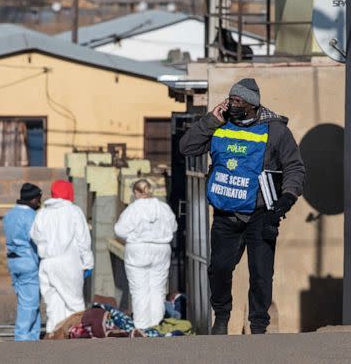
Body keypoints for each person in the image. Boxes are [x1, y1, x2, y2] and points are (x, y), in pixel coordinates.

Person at [180, 78, 305, 335]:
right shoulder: (220, 124)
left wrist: (287, 198)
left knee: (260, 274)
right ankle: (222, 316)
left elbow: (294, 167)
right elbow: (187, 147)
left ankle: (258, 325)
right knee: (219, 269)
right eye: (230, 100)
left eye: (237, 101)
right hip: (226, 213)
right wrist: (210, 120)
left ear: (251, 105)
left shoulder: (274, 130)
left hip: (262, 213)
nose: (232, 105)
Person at [30, 180, 94, 334]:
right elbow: (83, 240)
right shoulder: (74, 211)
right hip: (69, 262)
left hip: (47, 263)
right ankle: (77, 334)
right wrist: (88, 263)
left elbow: (34, 235)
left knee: (54, 304)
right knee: (74, 303)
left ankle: (55, 337)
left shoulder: (42, 213)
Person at [114, 179, 177, 329]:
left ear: (136, 192)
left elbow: (119, 230)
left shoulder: (133, 209)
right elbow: (173, 227)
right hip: (161, 249)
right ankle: (156, 324)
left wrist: (133, 237)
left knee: (139, 289)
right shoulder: (163, 208)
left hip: (138, 250)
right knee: (158, 288)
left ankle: (141, 326)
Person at [2, 183, 43, 341]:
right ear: (33, 199)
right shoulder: (32, 217)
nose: (40, 203)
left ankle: (33, 337)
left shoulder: (9, 214)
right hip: (28, 262)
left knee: (25, 300)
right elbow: (37, 240)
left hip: (13, 262)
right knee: (30, 304)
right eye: (38, 199)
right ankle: (21, 339)